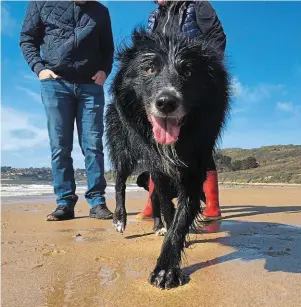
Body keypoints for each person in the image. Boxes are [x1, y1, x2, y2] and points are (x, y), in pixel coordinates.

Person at [20, 0, 114, 221]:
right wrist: (39, 68)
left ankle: (97, 202)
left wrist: (104, 71)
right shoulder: (41, 3)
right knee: (60, 146)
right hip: (55, 84)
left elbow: (108, 49)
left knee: (93, 146)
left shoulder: (101, 11)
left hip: (90, 86)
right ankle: (64, 203)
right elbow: (27, 39)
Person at [136, 0, 226, 222]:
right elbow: (146, 52)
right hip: (162, 85)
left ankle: (212, 206)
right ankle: (154, 202)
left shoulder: (198, 6)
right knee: (155, 147)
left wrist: (205, 71)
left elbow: (217, 38)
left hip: (190, 84)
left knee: (200, 145)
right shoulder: (154, 16)